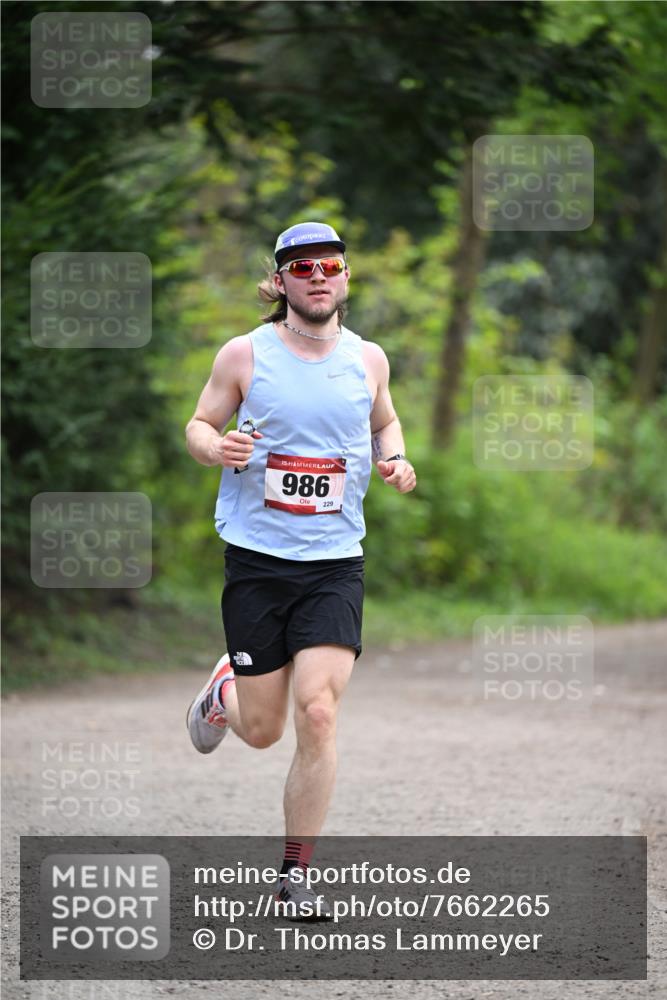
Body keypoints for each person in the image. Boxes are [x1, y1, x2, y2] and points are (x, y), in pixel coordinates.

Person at [185, 221, 416, 919]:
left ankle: (293, 877)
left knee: (317, 712)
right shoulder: (243, 354)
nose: (319, 276)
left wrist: (395, 458)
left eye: (331, 265)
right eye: (303, 266)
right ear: (280, 280)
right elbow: (198, 423)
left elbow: (385, 423)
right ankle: (223, 688)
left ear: (345, 277)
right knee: (263, 731)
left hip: (334, 565)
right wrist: (214, 448)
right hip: (257, 562)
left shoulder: (368, 359)